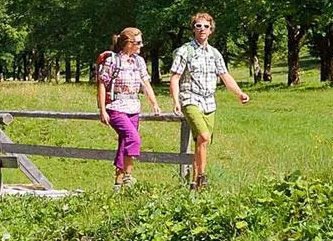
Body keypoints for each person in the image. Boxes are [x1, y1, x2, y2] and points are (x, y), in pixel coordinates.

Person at [168, 12, 246, 189]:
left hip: (209, 102)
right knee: (204, 136)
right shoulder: (185, 51)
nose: (202, 29)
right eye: (198, 26)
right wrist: (176, 101)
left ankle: (196, 184)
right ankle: (203, 176)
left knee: (203, 142)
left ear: (211, 30)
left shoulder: (214, 53)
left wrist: (239, 93)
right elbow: (174, 77)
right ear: (193, 29)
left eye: (206, 26)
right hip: (190, 99)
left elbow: (225, 76)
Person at [94, 27, 161, 187]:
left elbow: (145, 83)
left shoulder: (139, 61)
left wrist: (154, 103)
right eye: (137, 42)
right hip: (116, 107)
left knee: (124, 142)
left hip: (133, 107)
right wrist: (102, 109)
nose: (141, 45)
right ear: (127, 43)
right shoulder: (113, 60)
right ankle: (128, 176)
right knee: (133, 138)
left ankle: (119, 180)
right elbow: (102, 84)